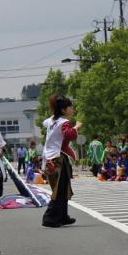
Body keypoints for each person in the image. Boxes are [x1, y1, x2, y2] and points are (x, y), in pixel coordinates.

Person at [41, 95, 82, 228]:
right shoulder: (64, 122)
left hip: (50, 157)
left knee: (62, 188)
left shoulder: (51, 121)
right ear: (63, 110)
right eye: (70, 107)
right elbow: (70, 135)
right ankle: (50, 218)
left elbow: (44, 122)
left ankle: (62, 216)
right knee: (59, 189)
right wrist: (76, 127)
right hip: (58, 158)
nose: (72, 109)